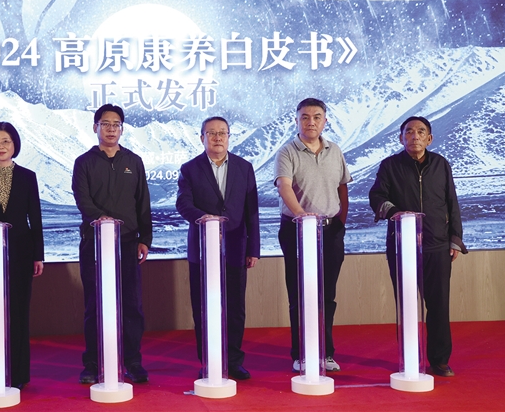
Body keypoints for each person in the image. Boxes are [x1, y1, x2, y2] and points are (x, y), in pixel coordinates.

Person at [368, 116, 467, 377]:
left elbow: (452, 202)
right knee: (407, 305)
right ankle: (410, 358)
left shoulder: (441, 164)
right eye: (409, 132)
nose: (415, 136)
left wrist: (455, 238)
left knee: (439, 305)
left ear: (429, 138)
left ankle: (439, 360)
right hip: (402, 247)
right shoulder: (390, 165)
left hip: (437, 246)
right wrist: (396, 213)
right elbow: (376, 196)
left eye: (421, 132)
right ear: (401, 138)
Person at [72, 104, 152, 384]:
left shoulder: (134, 161)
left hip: (128, 243)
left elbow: (143, 202)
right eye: (105, 124)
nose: (110, 129)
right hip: (94, 243)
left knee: (131, 305)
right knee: (94, 304)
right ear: (95, 127)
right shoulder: (84, 162)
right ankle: (93, 364)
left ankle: (133, 361)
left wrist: (145, 239)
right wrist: (102, 219)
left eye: (116, 124)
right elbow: (82, 199)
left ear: (122, 129)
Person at [176, 116, 260, 380]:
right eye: (211, 133)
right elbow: (183, 204)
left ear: (229, 137)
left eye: (222, 132)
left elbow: (252, 211)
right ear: (202, 138)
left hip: (236, 247)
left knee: (235, 308)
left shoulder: (244, 168)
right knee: (204, 307)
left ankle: (233, 361)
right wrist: (206, 219)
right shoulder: (190, 169)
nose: (217, 137)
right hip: (202, 250)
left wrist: (253, 248)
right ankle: (209, 361)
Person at [274, 98, 351, 373]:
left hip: (330, 231)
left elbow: (342, 187)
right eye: (305, 117)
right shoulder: (287, 152)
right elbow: (284, 186)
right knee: (299, 294)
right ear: (297, 121)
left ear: (325, 121)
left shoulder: (335, 150)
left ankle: (326, 352)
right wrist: (301, 215)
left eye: (317, 117)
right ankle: (302, 354)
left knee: (327, 294)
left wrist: (340, 221)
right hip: (296, 229)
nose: (311, 122)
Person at [0, 121, 45, 389]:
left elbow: (35, 217)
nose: (0, 146)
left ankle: (19, 375)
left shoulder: (28, 176)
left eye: (6, 141)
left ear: (14, 145)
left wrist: (38, 255)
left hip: (22, 253)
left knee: (19, 313)